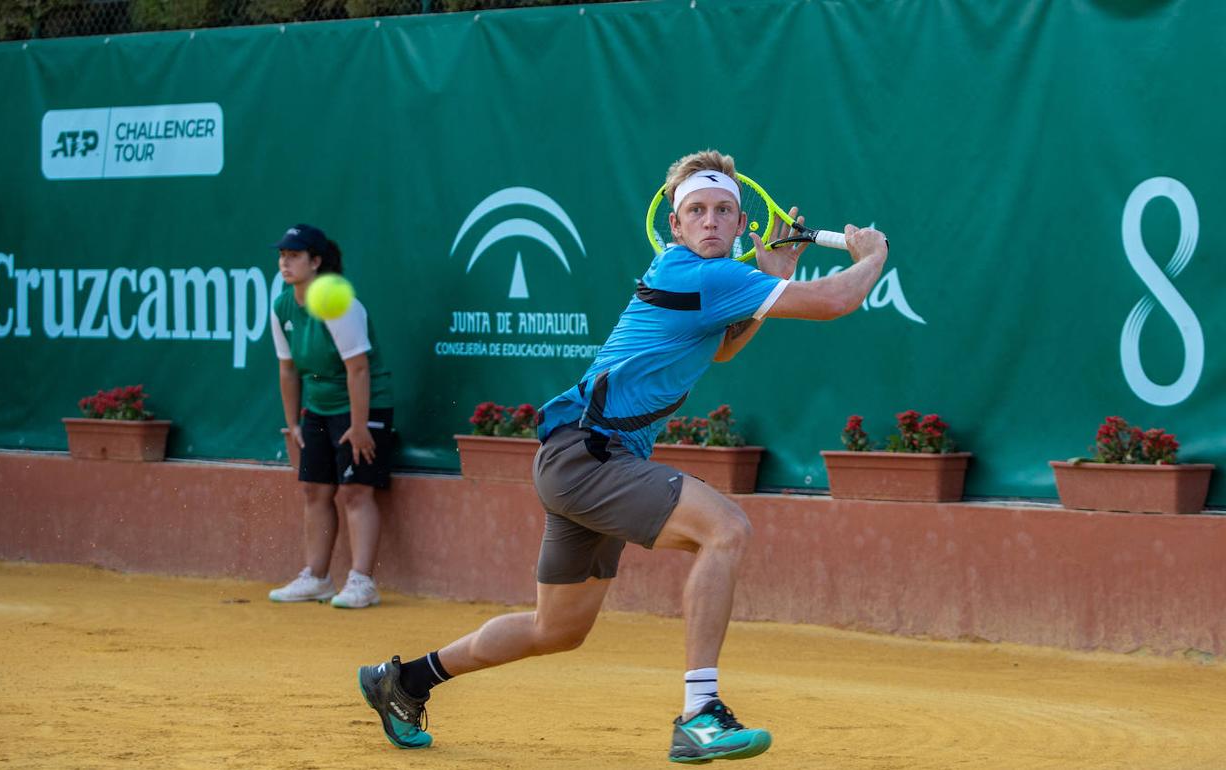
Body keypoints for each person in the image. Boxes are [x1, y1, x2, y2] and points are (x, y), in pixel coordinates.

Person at [356, 150, 889, 761]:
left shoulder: (698, 277)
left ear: (742, 224)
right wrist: (871, 256)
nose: (710, 220)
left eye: (723, 210)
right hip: (591, 459)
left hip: (576, 461)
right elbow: (832, 302)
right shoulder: (704, 275)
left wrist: (771, 277)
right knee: (726, 531)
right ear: (676, 225)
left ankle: (403, 681)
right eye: (697, 211)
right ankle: (701, 713)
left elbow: (721, 351)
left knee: (554, 629)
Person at [267, 223, 398, 610]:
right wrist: (293, 424)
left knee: (356, 490)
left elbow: (359, 369)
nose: (285, 263)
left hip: (363, 403)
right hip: (319, 405)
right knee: (315, 489)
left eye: (294, 256)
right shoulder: (282, 306)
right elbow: (288, 369)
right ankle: (317, 578)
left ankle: (362, 582)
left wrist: (359, 427)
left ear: (316, 261)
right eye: (282, 256)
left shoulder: (338, 303)